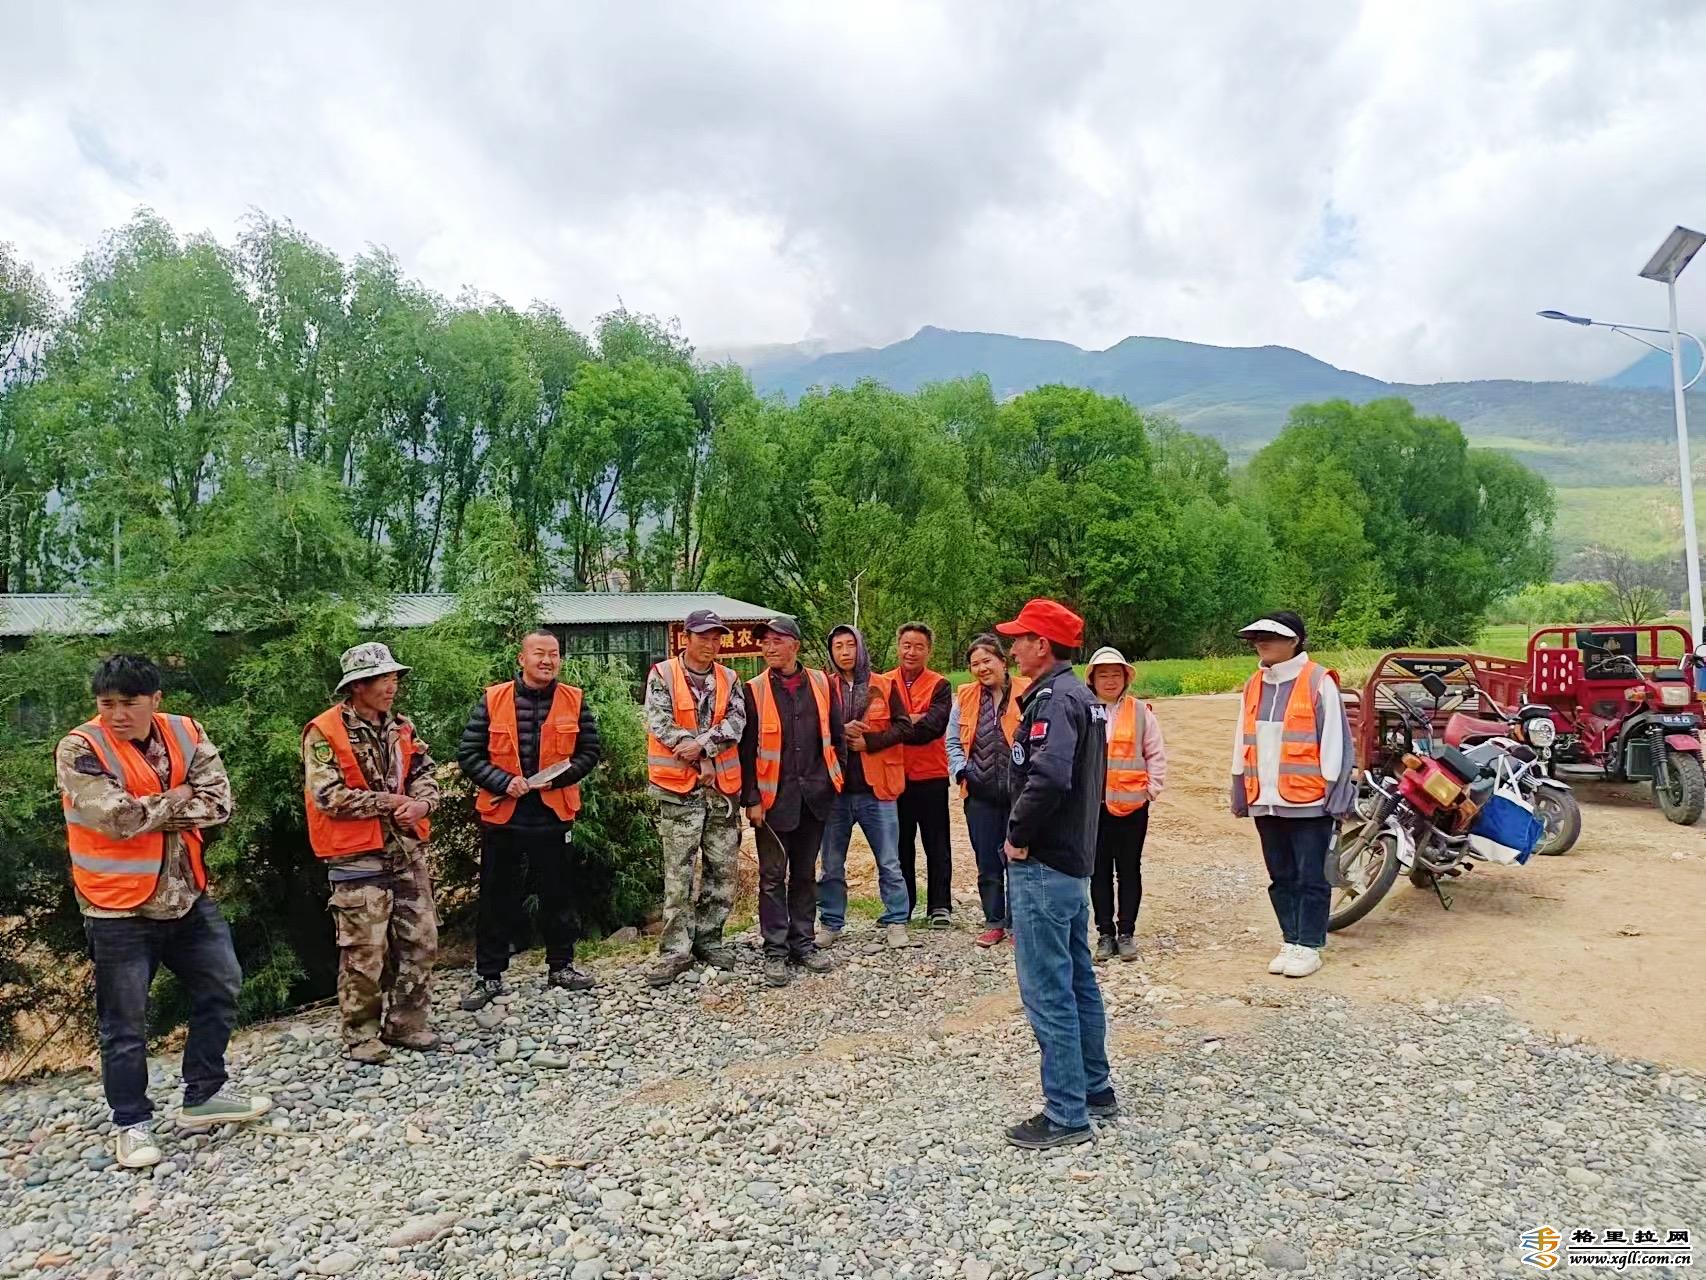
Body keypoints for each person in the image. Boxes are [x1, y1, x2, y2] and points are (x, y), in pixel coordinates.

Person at [59, 654, 270, 1170]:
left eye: (129, 703)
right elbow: (117, 819)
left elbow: (219, 804)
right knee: (125, 1023)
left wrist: (152, 806)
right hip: (117, 908)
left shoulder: (185, 732)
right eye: (107, 703)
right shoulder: (79, 747)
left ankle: (204, 1094)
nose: (116, 714)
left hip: (186, 896)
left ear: (155, 700)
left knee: (222, 985)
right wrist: (180, 793)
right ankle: (131, 1123)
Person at [995, 599, 1113, 1150]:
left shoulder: (1055, 700)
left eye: (1020, 638)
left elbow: (1048, 777)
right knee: (1078, 978)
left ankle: (1066, 1113)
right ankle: (1095, 1089)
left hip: (1043, 864)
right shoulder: (1080, 697)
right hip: (1071, 863)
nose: (1012, 648)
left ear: (1042, 645)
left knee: (1049, 989)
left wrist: (1017, 835)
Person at [304, 642, 443, 1063]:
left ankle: (406, 1022)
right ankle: (360, 1034)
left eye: (394, 677)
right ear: (358, 686)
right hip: (355, 858)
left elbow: (425, 772)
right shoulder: (324, 731)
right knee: (364, 951)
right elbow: (328, 796)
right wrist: (390, 802)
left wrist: (422, 804)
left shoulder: (402, 727)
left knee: (422, 940)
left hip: (405, 850)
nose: (392, 686)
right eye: (383, 679)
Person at [457, 629, 603, 1008]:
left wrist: (559, 778)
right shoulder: (493, 699)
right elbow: (469, 754)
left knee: (558, 894)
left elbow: (589, 751)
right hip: (503, 815)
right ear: (521, 659)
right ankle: (489, 975)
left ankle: (561, 966)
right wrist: (503, 782)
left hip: (553, 813)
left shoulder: (574, 699)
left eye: (554, 654)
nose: (547, 661)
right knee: (496, 897)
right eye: (539, 653)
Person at [1229, 612, 1355, 980]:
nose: (1261, 643)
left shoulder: (1318, 680)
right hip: (1265, 800)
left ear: (1294, 640)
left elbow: (1335, 742)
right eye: (1257, 637)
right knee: (1280, 875)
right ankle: (1291, 939)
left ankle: (1310, 945)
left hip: (1308, 802)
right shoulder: (1254, 684)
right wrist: (1240, 790)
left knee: (1310, 876)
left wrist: (1336, 796)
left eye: (1270, 636)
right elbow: (1241, 740)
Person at [739, 615, 844, 987]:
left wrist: (834, 782)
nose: (769, 647)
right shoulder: (753, 690)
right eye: (764, 641)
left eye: (777, 640)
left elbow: (836, 737)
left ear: (795, 645)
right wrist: (751, 798)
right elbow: (746, 750)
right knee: (772, 877)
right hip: (772, 801)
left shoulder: (822, 683)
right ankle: (775, 951)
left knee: (804, 874)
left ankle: (803, 943)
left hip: (814, 796)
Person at [643, 609, 746, 987]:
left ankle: (709, 939)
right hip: (677, 791)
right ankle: (676, 950)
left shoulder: (730, 678)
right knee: (679, 874)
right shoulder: (662, 674)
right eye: (703, 636)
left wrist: (703, 748)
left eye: (716, 637)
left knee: (722, 870)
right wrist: (696, 754)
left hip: (721, 792)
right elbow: (660, 722)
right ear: (685, 637)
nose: (711, 644)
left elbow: (736, 723)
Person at [816, 623, 915, 950]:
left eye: (850, 645)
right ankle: (831, 922)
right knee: (831, 865)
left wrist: (869, 742)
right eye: (838, 647)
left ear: (860, 648)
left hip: (877, 790)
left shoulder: (884, 684)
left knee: (889, 861)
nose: (845, 652)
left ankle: (896, 920)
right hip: (836, 791)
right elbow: (814, 730)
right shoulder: (824, 687)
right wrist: (840, 732)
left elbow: (904, 727)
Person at [945, 633, 1031, 948]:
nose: (982, 668)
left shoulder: (1028, 691)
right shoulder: (965, 697)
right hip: (979, 795)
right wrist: (961, 771)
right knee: (987, 862)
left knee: (1019, 860)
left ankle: (1019, 924)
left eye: (987, 660)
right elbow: (952, 741)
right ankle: (994, 921)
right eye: (975, 664)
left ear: (1002, 661)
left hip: (1020, 795)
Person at [1085, 646, 1168, 963]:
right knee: (1098, 871)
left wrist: (1151, 790)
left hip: (1132, 806)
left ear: (1125, 678)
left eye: (1115, 675)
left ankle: (1126, 933)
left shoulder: (1140, 712)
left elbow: (1155, 753)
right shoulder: (1083, 711)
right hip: (1094, 808)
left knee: (1129, 869)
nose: (1110, 681)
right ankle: (1105, 934)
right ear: (1092, 680)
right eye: (1103, 675)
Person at [885, 622, 954, 926]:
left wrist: (897, 726)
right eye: (907, 645)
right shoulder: (883, 683)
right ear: (898, 647)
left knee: (937, 844)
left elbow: (933, 727)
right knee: (900, 846)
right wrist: (912, 719)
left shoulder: (940, 684)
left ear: (929, 651)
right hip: (894, 777)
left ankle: (940, 906)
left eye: (919, 646)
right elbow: (877, 724)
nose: (911, 652)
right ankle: (904, 905)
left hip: (931, 776)